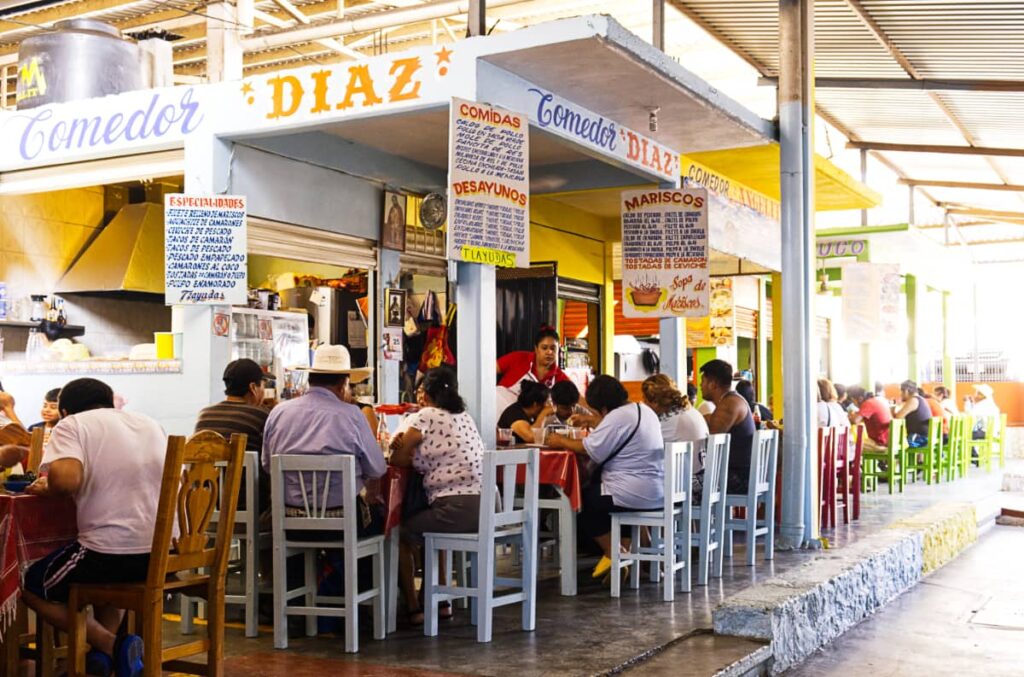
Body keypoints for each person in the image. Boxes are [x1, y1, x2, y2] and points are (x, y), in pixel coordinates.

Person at [19, 378, 167, 677]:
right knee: (103, 583)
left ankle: (110, 644)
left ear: (64, 411)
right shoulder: (150, 424)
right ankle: (99, 658)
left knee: (25, 583)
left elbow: (66, 481)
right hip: (161, 557)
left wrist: (46, 487)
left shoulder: (72, 425)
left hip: (110, 555)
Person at [389, 367, 483, 624]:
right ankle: (440, 601)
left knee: (400, 531)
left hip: (456, 511)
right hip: (486, 511)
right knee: (433, 524)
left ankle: (413, 606)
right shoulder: (465, 416)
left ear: (426, 394)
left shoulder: (426, 415)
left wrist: (395, 445)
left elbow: (398, 458)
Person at [546, 375, 663, 581]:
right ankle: (624, 555)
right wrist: (593, 420)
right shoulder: (642, 410)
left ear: (604, 407)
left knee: (582, 502)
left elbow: (589, 449)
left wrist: (560, 440)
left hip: (632, 492)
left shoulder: (618, 416)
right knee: (609, 498)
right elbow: (615, 429)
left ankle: (616, 555)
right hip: (655, 490)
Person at [262, 345, 386, 533]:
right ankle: (353, 563)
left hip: (288, 521)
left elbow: (268, 465)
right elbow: (377, 468)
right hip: (343, 523)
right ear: (343, 385)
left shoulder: (278, 412)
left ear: (310, 380)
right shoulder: (352, 415)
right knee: (381, 518)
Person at [195, 359, 271, 510]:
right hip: (250, 506)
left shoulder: (204, 414)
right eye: (263, 385)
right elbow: (269, 462)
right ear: (253, 388)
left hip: (208, 506)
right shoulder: (262, 415)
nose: (264, 391)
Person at [641, 374, 709, 498]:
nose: (643, 405)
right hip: (703, 483)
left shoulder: (668, 419)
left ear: (655, 401)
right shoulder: (689, 411)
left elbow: (643, 447)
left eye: (645, 401)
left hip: (687, 490)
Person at [700, 359, 755, 493]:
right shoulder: (732, 400)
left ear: (712, 384)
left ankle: (697, 513)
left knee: (685, 482)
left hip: (739, 478)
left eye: (703, 382)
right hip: (740, 473)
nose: (700, 386)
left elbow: (711, 440)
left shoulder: (730, 404)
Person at [496, 326, 570, 392]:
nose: (549, 352)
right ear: (536, 349)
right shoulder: (518, 358)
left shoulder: (559, 377)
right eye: (544, 348)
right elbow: (488, 371)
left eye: (553, 348)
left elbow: (576, 397)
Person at [848, 385, 893, 451]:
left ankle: (882, 450)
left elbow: (855, 421)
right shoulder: (877, 400)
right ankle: (882, 458)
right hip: (890, 439)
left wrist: (848, 417)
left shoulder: (867, 403)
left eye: (853, 401)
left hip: (881, 442)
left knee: (851, 444)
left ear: (860, 398)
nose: (854, 404)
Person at [893, 380, 932, 446]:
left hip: (919, 438)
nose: (901, 394)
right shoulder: (921, 399)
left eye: (901, 392)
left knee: (895, 444)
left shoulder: (913, 400)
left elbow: (898, 417)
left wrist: (892, 409)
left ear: (906, 391)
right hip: (926, 436)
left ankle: (895, 456)